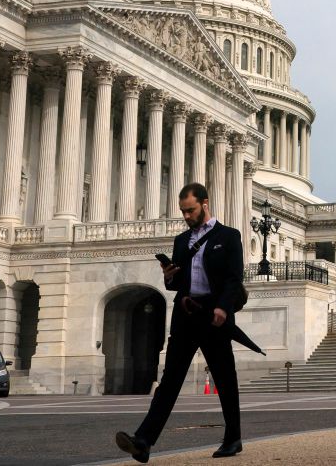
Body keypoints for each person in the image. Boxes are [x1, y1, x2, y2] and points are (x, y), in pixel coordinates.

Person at [116, 182, 245, 462]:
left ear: (205, 204)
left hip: (214, 316)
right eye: (183, 212)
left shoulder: (229, 236)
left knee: (225, 378)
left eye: (191, 210)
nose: (186, 216)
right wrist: (168, 275)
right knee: (170, 380)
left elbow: (235, 279)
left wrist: (223, 308)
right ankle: (144, 441)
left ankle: (233, 437)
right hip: (186, 315)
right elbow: (177, 284)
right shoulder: (180, 241)